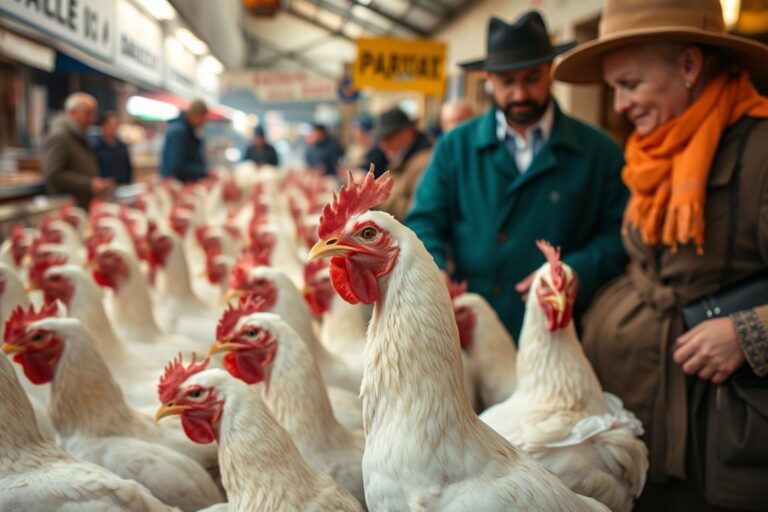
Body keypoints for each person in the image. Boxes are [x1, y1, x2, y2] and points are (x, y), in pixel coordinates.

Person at [553, 0, 768, 508]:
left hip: (715, 437)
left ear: (690, 67)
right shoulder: (652, 151)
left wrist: (750, 332)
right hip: (644, 426)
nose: (620, 105)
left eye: (631, 84)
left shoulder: (761, 152)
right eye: (613, 90)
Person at [406, 12, 628, 340]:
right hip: (472, 332)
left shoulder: (600, 152)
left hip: (561, 334)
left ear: (550, 72)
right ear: (489, 80)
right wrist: (433, 268)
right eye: (508, 82)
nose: (521, 94)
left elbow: (618, 236)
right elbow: (425, 221)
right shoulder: (455, 147)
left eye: (532, 78)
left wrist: (575, 271)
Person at [41, 93, 114, 208]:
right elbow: (53, 174)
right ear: (72, 112)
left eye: (93, 113)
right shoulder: (60, 136)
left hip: (80, 206)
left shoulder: (79, 135)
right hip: (67, 208)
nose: (92, 119)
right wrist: (90, 184)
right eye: (88, 113)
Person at [374, 107, 432, 220]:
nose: (383, 145)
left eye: (388, 138)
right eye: (381, 139)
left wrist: (377, 196)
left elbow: (418, 211)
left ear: (408, 132)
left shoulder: (424, 162)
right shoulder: (404, 157)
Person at [160, 99, 209, 182]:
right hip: (176, 185)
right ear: (196, 115)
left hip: (180, 184)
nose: (203, 122)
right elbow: (177, 167)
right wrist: (204, 172)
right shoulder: (179, 131)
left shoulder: (186, 130)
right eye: (203, 118)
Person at [92, 111, 133, 185]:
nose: (113, 128)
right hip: (104, 189)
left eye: (115, 125)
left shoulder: (122, 146)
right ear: (103, 126)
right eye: (110, 125)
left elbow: (128, 168)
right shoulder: (95, 147)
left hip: (122, 187)